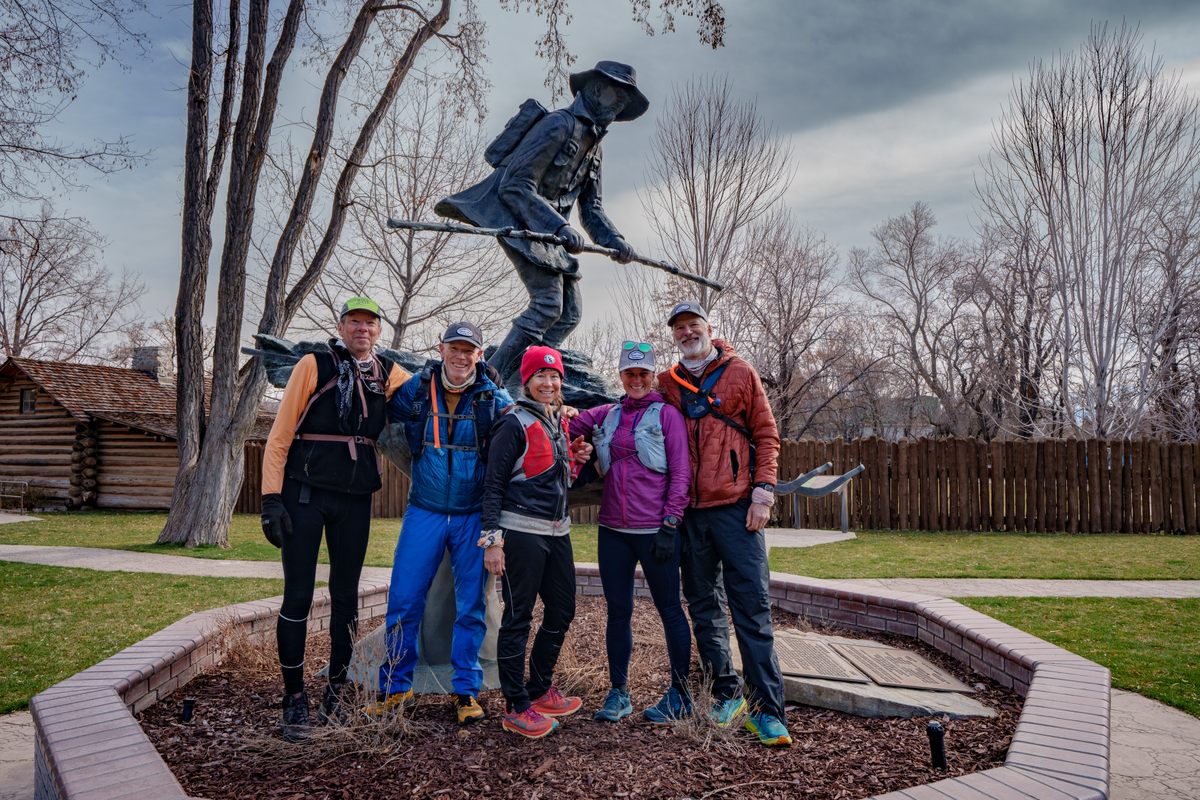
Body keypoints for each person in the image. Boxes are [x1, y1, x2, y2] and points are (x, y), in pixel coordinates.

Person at [435, 60, 647, 384]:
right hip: (518, 217)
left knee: (569, 314)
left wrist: (615, 241)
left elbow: (592, 209)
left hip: (550, 234)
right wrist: (559, 227)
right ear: (594, 89)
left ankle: (527, 376)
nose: (619, 103)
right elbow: (515, 184)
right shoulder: (558, 125)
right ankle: (489, 380)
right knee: (548, 304)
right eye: (616, 93)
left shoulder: (595, 150)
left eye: (625, 100)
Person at [260, 297, 410, 742]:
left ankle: (337, 690)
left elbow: (434, 390)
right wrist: (271, 498)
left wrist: (487, 377)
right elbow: (280, 433)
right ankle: (294, 699)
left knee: (345, 597)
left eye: (369, 323)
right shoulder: (314, 364)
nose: (361, 329)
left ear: (378, 331)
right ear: (341, 326)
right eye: (353, 322)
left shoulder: (388, 373)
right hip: (303, 494)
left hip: (355, 499)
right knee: (298, 596)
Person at [655, 300, 792, 747]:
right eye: (680, 328)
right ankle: (725, 691)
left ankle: (768, 710)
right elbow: (635, 413)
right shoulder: (666, 384)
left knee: (752, 608)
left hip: (738, 509)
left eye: (694, 325)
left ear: (709, 329)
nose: (687, 333)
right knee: (705, 608)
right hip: (691, 515)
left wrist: (763, 492)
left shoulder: (741, 372)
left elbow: (767, 434)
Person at [371, 322, 512, 725]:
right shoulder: (417, 389)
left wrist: (565, 414)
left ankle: (466, 690)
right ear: (442, 348)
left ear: (479, 354)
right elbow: (375, 403)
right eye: (455, 347)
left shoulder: (494, 397)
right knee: (403, 600)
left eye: (470, 349)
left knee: (471, 606)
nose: (462, 356)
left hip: (471, 516)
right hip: (425, 510)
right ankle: (396, 686)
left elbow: (526, 429)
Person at [568, 341, 692, 723]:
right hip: (613, 531)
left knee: (670, 609)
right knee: (618, 612)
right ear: (621, 376)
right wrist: (567, 414)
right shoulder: (607, 414)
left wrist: (671, 522)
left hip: (656, 530)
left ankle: (681, 694)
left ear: (652, 376)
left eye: (643, 373)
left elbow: (681, 472)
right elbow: (565, 425)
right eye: (630, 373)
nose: (636, 380)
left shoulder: (666, 415)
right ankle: (618, 693)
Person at [478, 345, 593, 738]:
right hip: (520, 533)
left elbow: (558, 481)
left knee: (562, 611)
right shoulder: (512, 422)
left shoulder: (557, 422)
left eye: (554, 376)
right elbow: (492, 485)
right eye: (541, 376)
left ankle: (539, 688)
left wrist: (573, 459)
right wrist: (492, 540)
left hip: (557, 532)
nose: (549, 382)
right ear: (526, 380)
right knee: (518, 617)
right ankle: (515, 705)